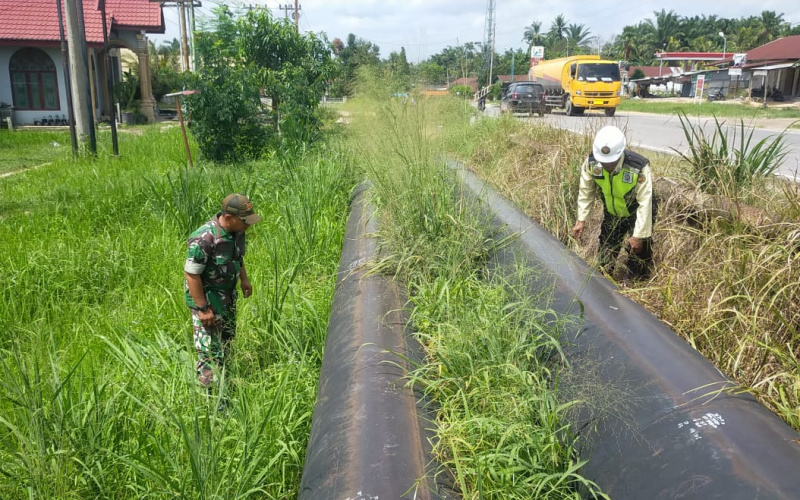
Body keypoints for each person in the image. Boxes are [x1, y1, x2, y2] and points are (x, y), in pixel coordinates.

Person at [184, 194, 261, 388]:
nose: (248, 225)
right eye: (244, 220)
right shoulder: (205, 238)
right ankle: (212, 401)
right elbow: (192, 275)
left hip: (227, 297)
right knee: (210, 352)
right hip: (208, 300)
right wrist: (202, 309)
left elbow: (237, 257)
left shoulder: (237, 232)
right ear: (228, 217)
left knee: (226, 341)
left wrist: (244, 279)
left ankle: (224, 382)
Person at [572, 126, 654, 279]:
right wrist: (581, 220)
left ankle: (634, 283)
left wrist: (638, 235)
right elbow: (586, 191)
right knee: (605, 257)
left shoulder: (637, 167)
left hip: (636, 213)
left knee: (638, 254)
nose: (606, 165)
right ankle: (605, 283)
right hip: (612, 213)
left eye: (610, 162)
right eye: (603, 162)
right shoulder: (592, 163)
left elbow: (645, 203)